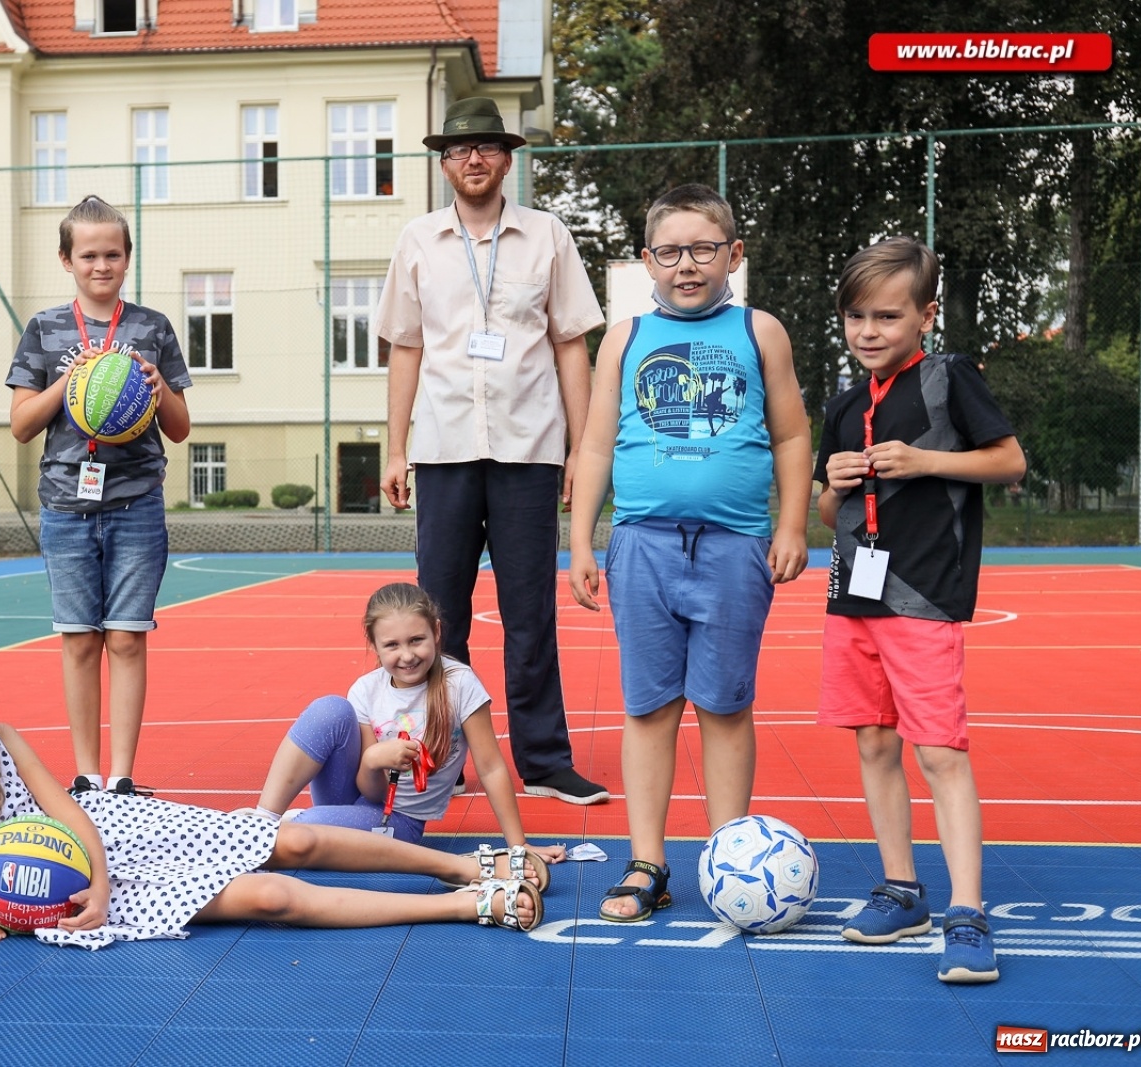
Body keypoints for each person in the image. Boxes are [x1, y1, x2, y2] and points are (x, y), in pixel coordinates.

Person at [0, 636, 548, 943]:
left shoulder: (0, 740)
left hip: (106, 841)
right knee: (269, 895)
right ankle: (464, 905)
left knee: (286, 837)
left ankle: (468, 864)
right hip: (48, 887)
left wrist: (104, 878)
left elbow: (69, 810)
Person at [567, 183, 813, 922]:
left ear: (733, 254)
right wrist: (581, 539)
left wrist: (794, 524)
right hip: (640, 547)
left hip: (736, 549)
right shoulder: (625, 335)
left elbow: (793, 435)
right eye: (670, 251)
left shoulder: (760, 330)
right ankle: (647, 863)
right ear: (647, 260)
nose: (686, 265)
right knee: (648, 707)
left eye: (703, 249)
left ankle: (729, 857)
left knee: (725, 705)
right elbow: (598, 441)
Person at [376, 96, 607, 806]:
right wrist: (394, 449)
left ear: (508, 158)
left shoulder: (547, 235)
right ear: (443, 163)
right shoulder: (418, 240)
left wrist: (579, 446)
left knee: (530, 610)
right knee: (438, 612)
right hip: (442, 448)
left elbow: (572, 344)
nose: (472, 158)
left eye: (486, 146)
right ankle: (441, 756)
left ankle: (542, 759)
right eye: (458, 149)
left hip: (530, 447)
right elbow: (405, 349)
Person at [815, 237, 1024, 983]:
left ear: (925, 316)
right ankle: (901, 890)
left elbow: (1009, 460)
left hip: (924, 598)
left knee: (939, 750)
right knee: (874, 745)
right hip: (853, 598)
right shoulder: (843, 404)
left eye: (887, 315)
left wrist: (928, 459)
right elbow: (823, 507)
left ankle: (967, 911)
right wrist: (833, 484)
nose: (868, 330)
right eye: (855, 316)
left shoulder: (948, 377)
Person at [6, 195, 191, 798]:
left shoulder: (152, 327)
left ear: (127, 258)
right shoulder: (45, 329)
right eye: (88, 255)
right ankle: (85, 774)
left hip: (136, 501)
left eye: (112, 254)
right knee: (80, 639)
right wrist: (73, 379)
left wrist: (159, 388)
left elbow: (182, 426)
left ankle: (121, 777)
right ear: (67, 260)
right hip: (65, 502)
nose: (101, 265)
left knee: (127, 636)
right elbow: (21, 424)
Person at [249, 583, 566, 880]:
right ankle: (260, 821)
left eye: (416, 640)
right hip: (360, 796)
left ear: (436, 631)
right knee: (330, 708)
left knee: (304, 830)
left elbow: (491, 766)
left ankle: (283, 831)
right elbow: (370, 791)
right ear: (374, 644)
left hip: (399, 821)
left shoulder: (460, 684)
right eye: (392, 645)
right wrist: (373, 759)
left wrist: (518, 845)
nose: (407, 655)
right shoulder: (366, 690)